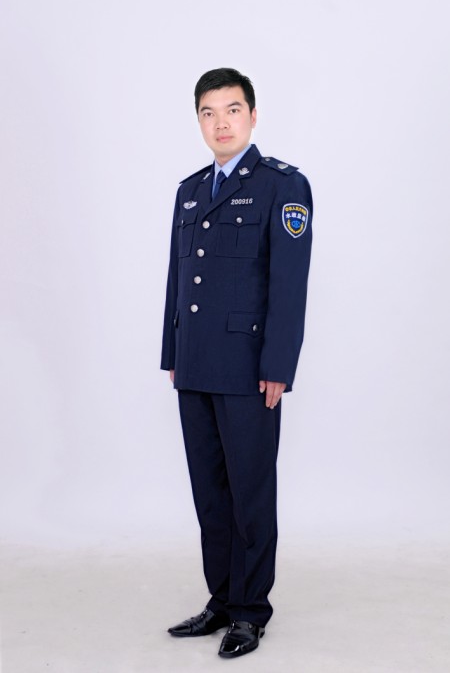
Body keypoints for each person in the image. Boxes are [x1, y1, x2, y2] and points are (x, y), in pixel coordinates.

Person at [160, 67, 313, 659]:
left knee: (250, 492)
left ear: (252, 115)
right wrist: (173, 352)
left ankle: (250, 612)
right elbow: (178, 280)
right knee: (210, 493)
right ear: (198, 121)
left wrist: (278, 365)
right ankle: (221, 600)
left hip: (250, 369)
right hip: (195, 364)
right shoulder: (190, 190)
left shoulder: (283, 186)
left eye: (231, 110)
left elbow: (289, 286)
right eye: (208, 112)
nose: (220, 123)